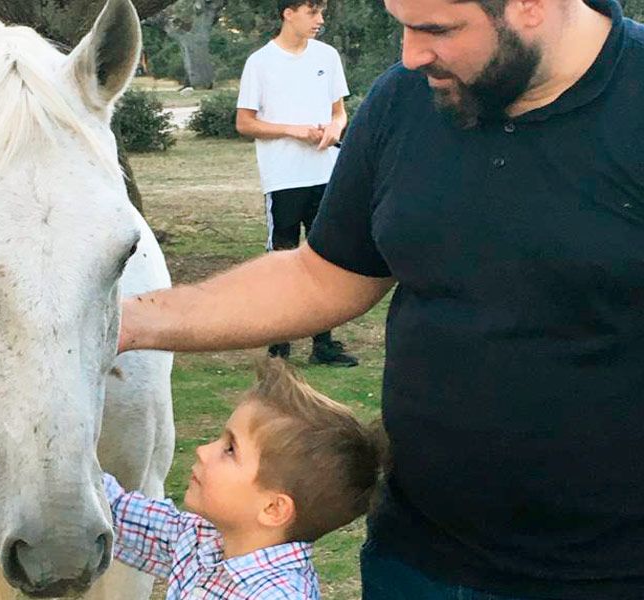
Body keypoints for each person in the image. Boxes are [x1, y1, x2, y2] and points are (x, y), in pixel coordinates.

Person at [118, 0, 644, 596]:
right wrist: (125, 322)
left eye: (436, 29)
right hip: (418, 559)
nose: (410, 55)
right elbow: (322, 275)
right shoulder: (404, 100)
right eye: (402, 24)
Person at [103, 359, 384, 599]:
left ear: (273, 509)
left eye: (230, 449)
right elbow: (116, 510)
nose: (202, 451)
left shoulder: (279, 595)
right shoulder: (203, 540)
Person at [236, 0, 357, 367]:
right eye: (312, 12)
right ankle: (279, 346)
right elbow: (245, 122)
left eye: (321, 13)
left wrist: (334, 129)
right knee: (283, 262)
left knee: (326, 259)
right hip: (284, 179)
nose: (320, 20)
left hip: (326, 175)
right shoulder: (260, 62)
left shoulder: (327, 56)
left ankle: (324, 344)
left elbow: (339, 111)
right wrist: (293, 130)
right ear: (288, 13)